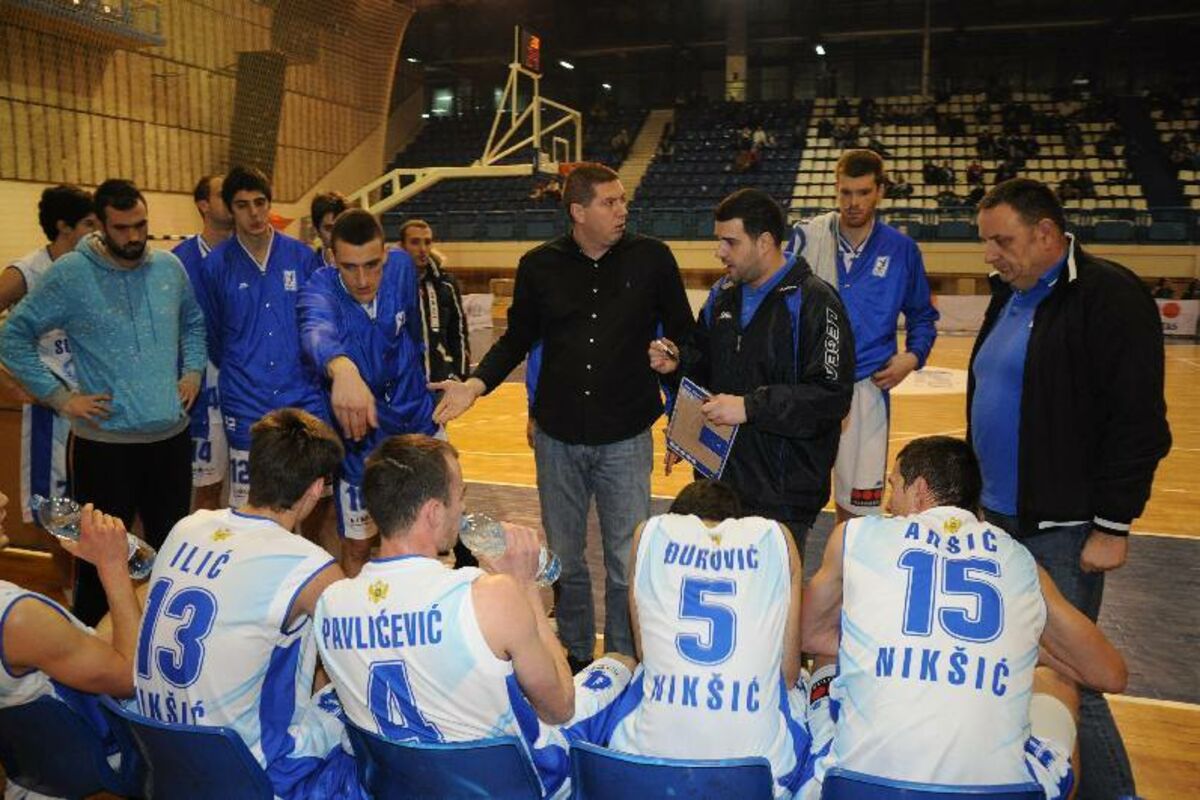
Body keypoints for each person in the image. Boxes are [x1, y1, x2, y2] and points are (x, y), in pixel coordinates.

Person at [430, 163, 694, 671]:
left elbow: (685, 334)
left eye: (622, 200)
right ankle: (573, 652)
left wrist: (674, 355)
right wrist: (476, 384)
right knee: (565, 560)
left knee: (625, 560)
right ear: (578, 211)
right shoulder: (538, 266)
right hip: (558, 439)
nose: (622, 210)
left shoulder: (653, 259)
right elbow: (516, 340)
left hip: (626, 437)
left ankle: (621, 657)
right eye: (609, 202)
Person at [970, 178, 1170, 798]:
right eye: (985, 242)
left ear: (1046, 233)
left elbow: (1139, 422)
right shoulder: (1009, 294)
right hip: (1000, 519)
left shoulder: (1108, 296)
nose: (991, 255)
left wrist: (1113, 525)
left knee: (1069, 674)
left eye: (1002, 241)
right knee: (1018, 666)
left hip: (1061, 529)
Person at [799, 436, 1128, 799]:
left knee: (829, 658)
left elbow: (808, 636)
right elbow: (1109, 674)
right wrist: (1026, 651)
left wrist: (877, 644)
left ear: (918, 490)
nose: (889, 504)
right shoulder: (1018, 560)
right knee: (1059, 683)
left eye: (894, 487)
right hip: (997, 794)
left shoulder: (855, 535)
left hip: (857, 787)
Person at [314, 434, 634, 799]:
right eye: (459, 496)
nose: (463, 508)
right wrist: (525, 587)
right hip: (505, 787)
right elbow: (560, 707)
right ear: (434, 512)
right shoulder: (487, 595)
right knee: (621, 665)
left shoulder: (330, 603)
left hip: (398, 783)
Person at [1, 179, 206, 626]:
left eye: (141, 225)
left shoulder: (169, 267)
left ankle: (163, 642)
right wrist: (61, 398)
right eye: (121, 228)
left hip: (169, 440)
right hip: (105, 446)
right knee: (97, 562)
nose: (134, 236)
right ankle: (92, 646)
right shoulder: (71, 274)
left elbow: (193, 322)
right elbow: (13, 337)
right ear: (100, 225)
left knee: (171, 554)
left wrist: (192, 371)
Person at [133, 408, 361, 799]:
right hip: (245, 767)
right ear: (314, 489)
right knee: (360, 704)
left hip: (159, 747)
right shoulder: (310, 566)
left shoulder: (188, 525)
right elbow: (366, 651)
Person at [651, 188, 855, 547]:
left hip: (784, 496)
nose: (719, 252)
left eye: (730, 242)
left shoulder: (816, 302)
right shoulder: (721, 296)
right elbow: (702, 365)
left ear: (764, 242)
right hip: (718, 487)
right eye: (719, 241)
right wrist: (676, 364)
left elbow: (830, 397)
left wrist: (750, 407)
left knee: (775, 584)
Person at [605, 480, 810, 798]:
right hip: (758, 776)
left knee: (624, 666)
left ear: (676, 517)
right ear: (735, 521)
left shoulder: (649, 533)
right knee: (808, 683)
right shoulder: (777, 538)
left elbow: (645, 653)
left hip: (646, 765)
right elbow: (788, 674)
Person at [785, 150, 939, 522]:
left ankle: (849, 561)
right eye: (846, 192)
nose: (853, 202)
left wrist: (912, 357)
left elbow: (922, 316)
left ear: (880, 191)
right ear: (836, 190)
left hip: (867, 388)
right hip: (809, 385)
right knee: (791, 497)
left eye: (863, 192)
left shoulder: (902, 250)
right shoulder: (808, 239)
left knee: (857, 508)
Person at [197, 165, 334, 545]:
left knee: (315, 501)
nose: (254, 213)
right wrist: (245, 364)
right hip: (246, 398)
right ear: (231, 210)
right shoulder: (215, 265)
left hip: (303, 395)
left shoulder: (302, 257)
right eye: (243, 205)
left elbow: (319, 321)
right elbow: (213, 335)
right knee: (253, 510)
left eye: (260, 203)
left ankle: (309, 570)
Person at [299, 210, 436, 576]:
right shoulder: (319, 289)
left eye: (372, 265)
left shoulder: (403, 268)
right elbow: (315, 331)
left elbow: (413, 329)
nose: (362, 280)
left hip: (415, 421)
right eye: (350, 267)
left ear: (386, 254)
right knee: (358, 545)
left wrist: (424, 380)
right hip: (360, 434)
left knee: (422, 538)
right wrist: (342, 369)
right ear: (332, 258)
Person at [0, 493, 145, 797]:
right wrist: (113, 566)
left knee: (147, 591)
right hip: (94, 761)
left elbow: (78, 647)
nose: (3, 499)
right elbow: (130, 678)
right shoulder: (18, 617)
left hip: (31, 772)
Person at [0, 185, 97, 525]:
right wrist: (9, 383)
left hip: (93, 402)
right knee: (57, 510)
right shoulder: (27, 271)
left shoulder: (94, 267)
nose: (97, 232)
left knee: (93, 504)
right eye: (89, 224)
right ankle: (61, 563)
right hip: (50, 407)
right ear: (63, 227)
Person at [172, 175, 234, 511]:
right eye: (224, 194)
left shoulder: (250, 254)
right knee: (205, 487)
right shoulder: (177, 261)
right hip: (201, 386)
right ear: (203, 205)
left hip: (246, 384)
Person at [310, 191, 348, 270]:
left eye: (340, 227)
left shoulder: (360, 262)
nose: (336, 235)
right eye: (329, 229)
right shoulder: (309, 267)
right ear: (316, 230)